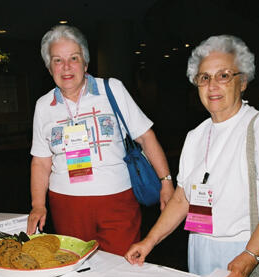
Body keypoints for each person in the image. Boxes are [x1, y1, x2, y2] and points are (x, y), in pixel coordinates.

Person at [125, 35, 259, 277]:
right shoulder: (196, 135)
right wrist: (149, 241)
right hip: (200, 245)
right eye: (204, 77)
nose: (212, 85)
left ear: (243, 82)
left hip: (247, 247)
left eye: (223, 75)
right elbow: (183, 199)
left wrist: (249, 258)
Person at [26, 25, 174, 256]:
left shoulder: (111, 89)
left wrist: (166, 182)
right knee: (76, 267)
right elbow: (41, 161)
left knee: (123, 266)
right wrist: (38, 205)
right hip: (66, 203)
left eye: (73, 58)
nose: (66, 67)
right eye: (57, 60)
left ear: (85, 63)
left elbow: (146, 137)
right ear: (49, 67)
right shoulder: (44, 106)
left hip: (117, 200)